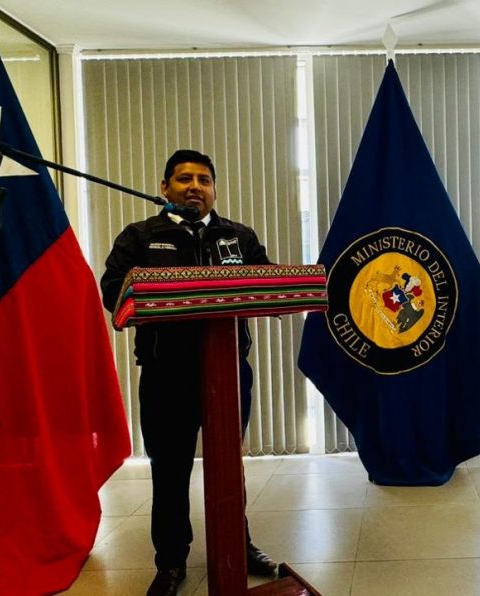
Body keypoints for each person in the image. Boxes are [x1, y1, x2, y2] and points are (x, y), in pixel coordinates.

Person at [100, 149, 277, 596]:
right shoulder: (140, 236)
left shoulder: (237, 236)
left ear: (215, 189)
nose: (194, 186)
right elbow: (112, 292)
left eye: (203, 179)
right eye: (183, 179)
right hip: (166, 377)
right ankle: (171, 562)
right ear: (165, 189)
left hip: (229, 374)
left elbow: (267, 282)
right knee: (170, 470)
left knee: (227, 467)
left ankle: (238, 545)